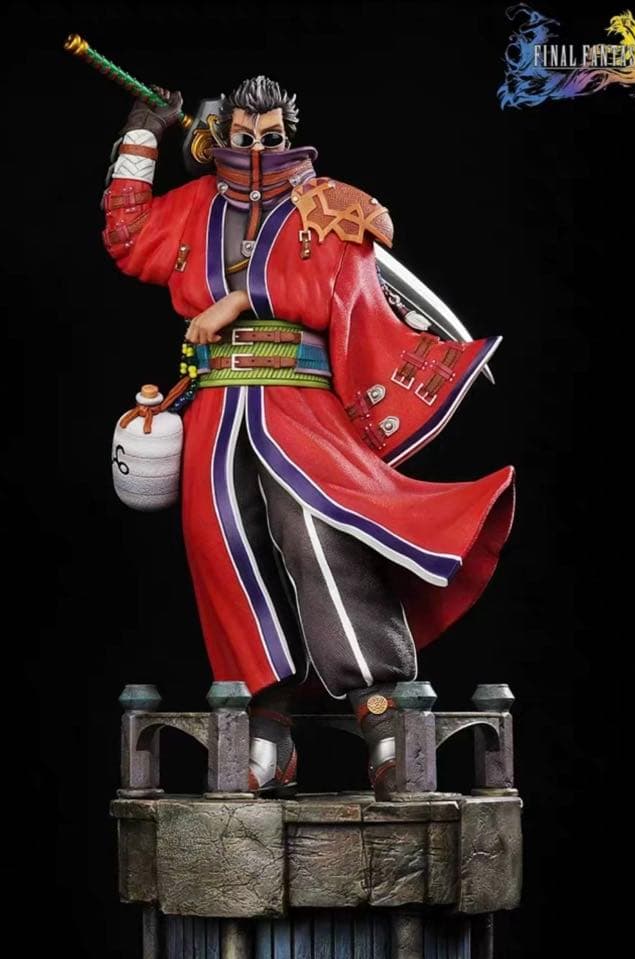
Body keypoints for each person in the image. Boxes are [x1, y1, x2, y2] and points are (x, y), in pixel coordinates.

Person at [102, 75, 515, 799]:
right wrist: (143, 134)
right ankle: (265, 721)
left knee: (319, 532)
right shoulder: (195, 206)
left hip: (300, 400)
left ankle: (381, 710)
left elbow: (339, 286)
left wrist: (242, 298)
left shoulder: (330, 205)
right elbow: (128, 237)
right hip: (215, 404)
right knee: (222, 544)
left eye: (270, 136)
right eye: (243, 135)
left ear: (288, 136)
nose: (257, 148)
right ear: (223, 134)